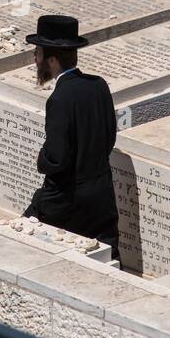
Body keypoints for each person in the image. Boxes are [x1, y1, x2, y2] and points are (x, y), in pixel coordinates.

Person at [22, 14, 120, 253]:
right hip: (101, 195)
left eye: (38, 54)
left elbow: (57, 157)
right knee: (107, 258)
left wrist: (40, 159)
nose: (35, 59)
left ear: (52, 60)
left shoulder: (59, 99)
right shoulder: (99, 85)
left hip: (66, 201)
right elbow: (110, 138)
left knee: (24, 241)